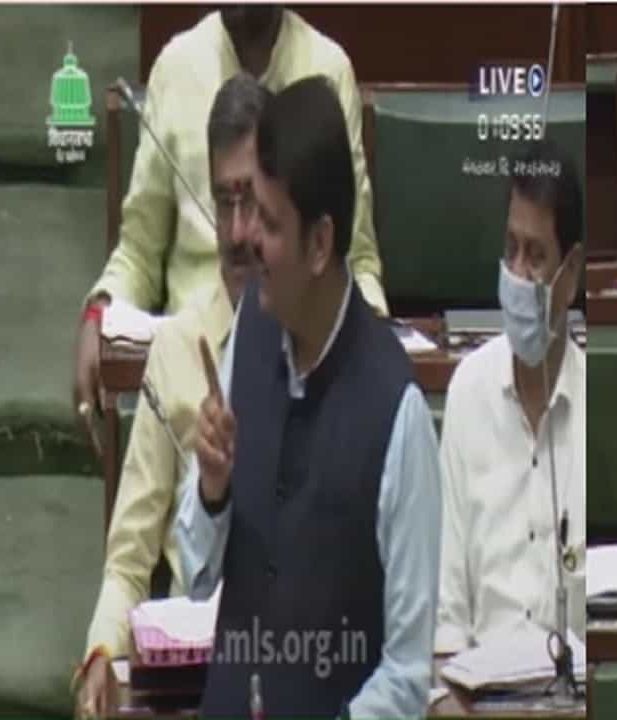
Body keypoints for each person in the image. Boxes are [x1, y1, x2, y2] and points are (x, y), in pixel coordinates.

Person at [176, 76, 438, 718]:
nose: (249, 239)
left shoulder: (397, 412)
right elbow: (196, 575)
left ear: (320, 243)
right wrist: (212, 489)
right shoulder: (247, 335)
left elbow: (407, 676)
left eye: (269, 222)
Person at [73, 5, 389, 437]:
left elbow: (358, 260)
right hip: (194, 371)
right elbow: (138, 253)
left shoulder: (327, 70)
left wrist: (369, 353)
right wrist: (99, 313)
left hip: (302, 370)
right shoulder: (177, 68)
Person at [73, 72, 269, 720]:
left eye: (252, 201)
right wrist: (101, 652)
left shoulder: (318, 345)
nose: (236, 231)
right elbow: (129, 558)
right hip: (195, 688)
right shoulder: (179, 348)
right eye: (224, 201)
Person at [436, 141, 585, 653]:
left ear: (572, 273)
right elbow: (446, 610)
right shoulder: (468, 392)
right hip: (478, 686)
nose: (518, 274)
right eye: (511, 249)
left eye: (536, 255)